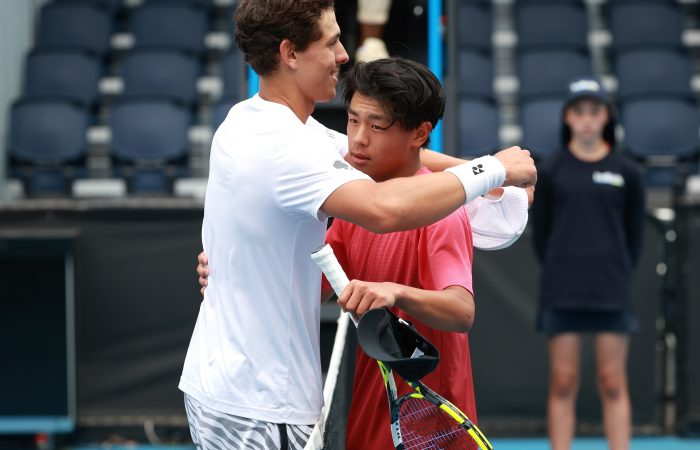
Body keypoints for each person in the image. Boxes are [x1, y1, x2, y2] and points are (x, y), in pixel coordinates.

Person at [180, 1, 536, 449]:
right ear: (290, 53)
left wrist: (497, 179)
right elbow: (386, 207)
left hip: (231, 385)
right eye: (331, 42)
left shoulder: (251, 122)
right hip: (258, 400)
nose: (345, 54)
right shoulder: (289, 149)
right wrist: (493, 170)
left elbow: (387, 155)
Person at [531, 77, 645, 450]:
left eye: (594, 111)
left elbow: (634, 237)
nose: (586, 119)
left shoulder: (627, 172)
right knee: (563, 381)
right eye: (578, 111)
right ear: (567, 117)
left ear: (605, 116)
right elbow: (541, 235)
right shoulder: (551, 169)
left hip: (610, 290)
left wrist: (614, 270)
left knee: (613, 382)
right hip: (562, 289)